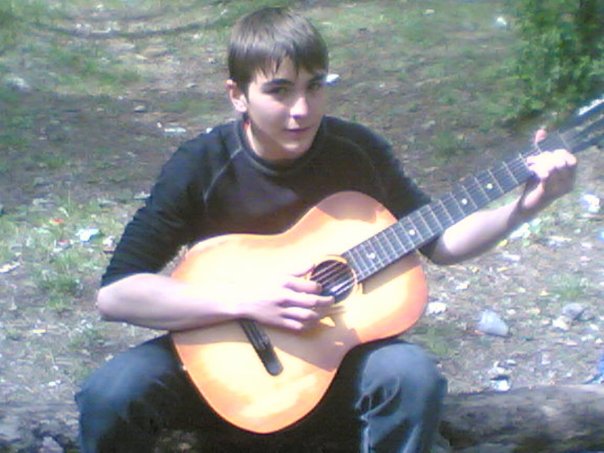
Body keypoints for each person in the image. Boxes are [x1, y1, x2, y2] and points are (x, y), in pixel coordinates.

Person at [75, 6, 577, 453]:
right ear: (237, 95)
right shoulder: (199, 165)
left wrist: (524, 207)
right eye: (279, 90)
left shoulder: (357, 152)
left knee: (412, 375)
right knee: (110, 392)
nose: (301, 110)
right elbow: (116, 295)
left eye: (314, 87)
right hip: (221, 362)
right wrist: (248, 303)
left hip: (335, 366)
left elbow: (440, 241)